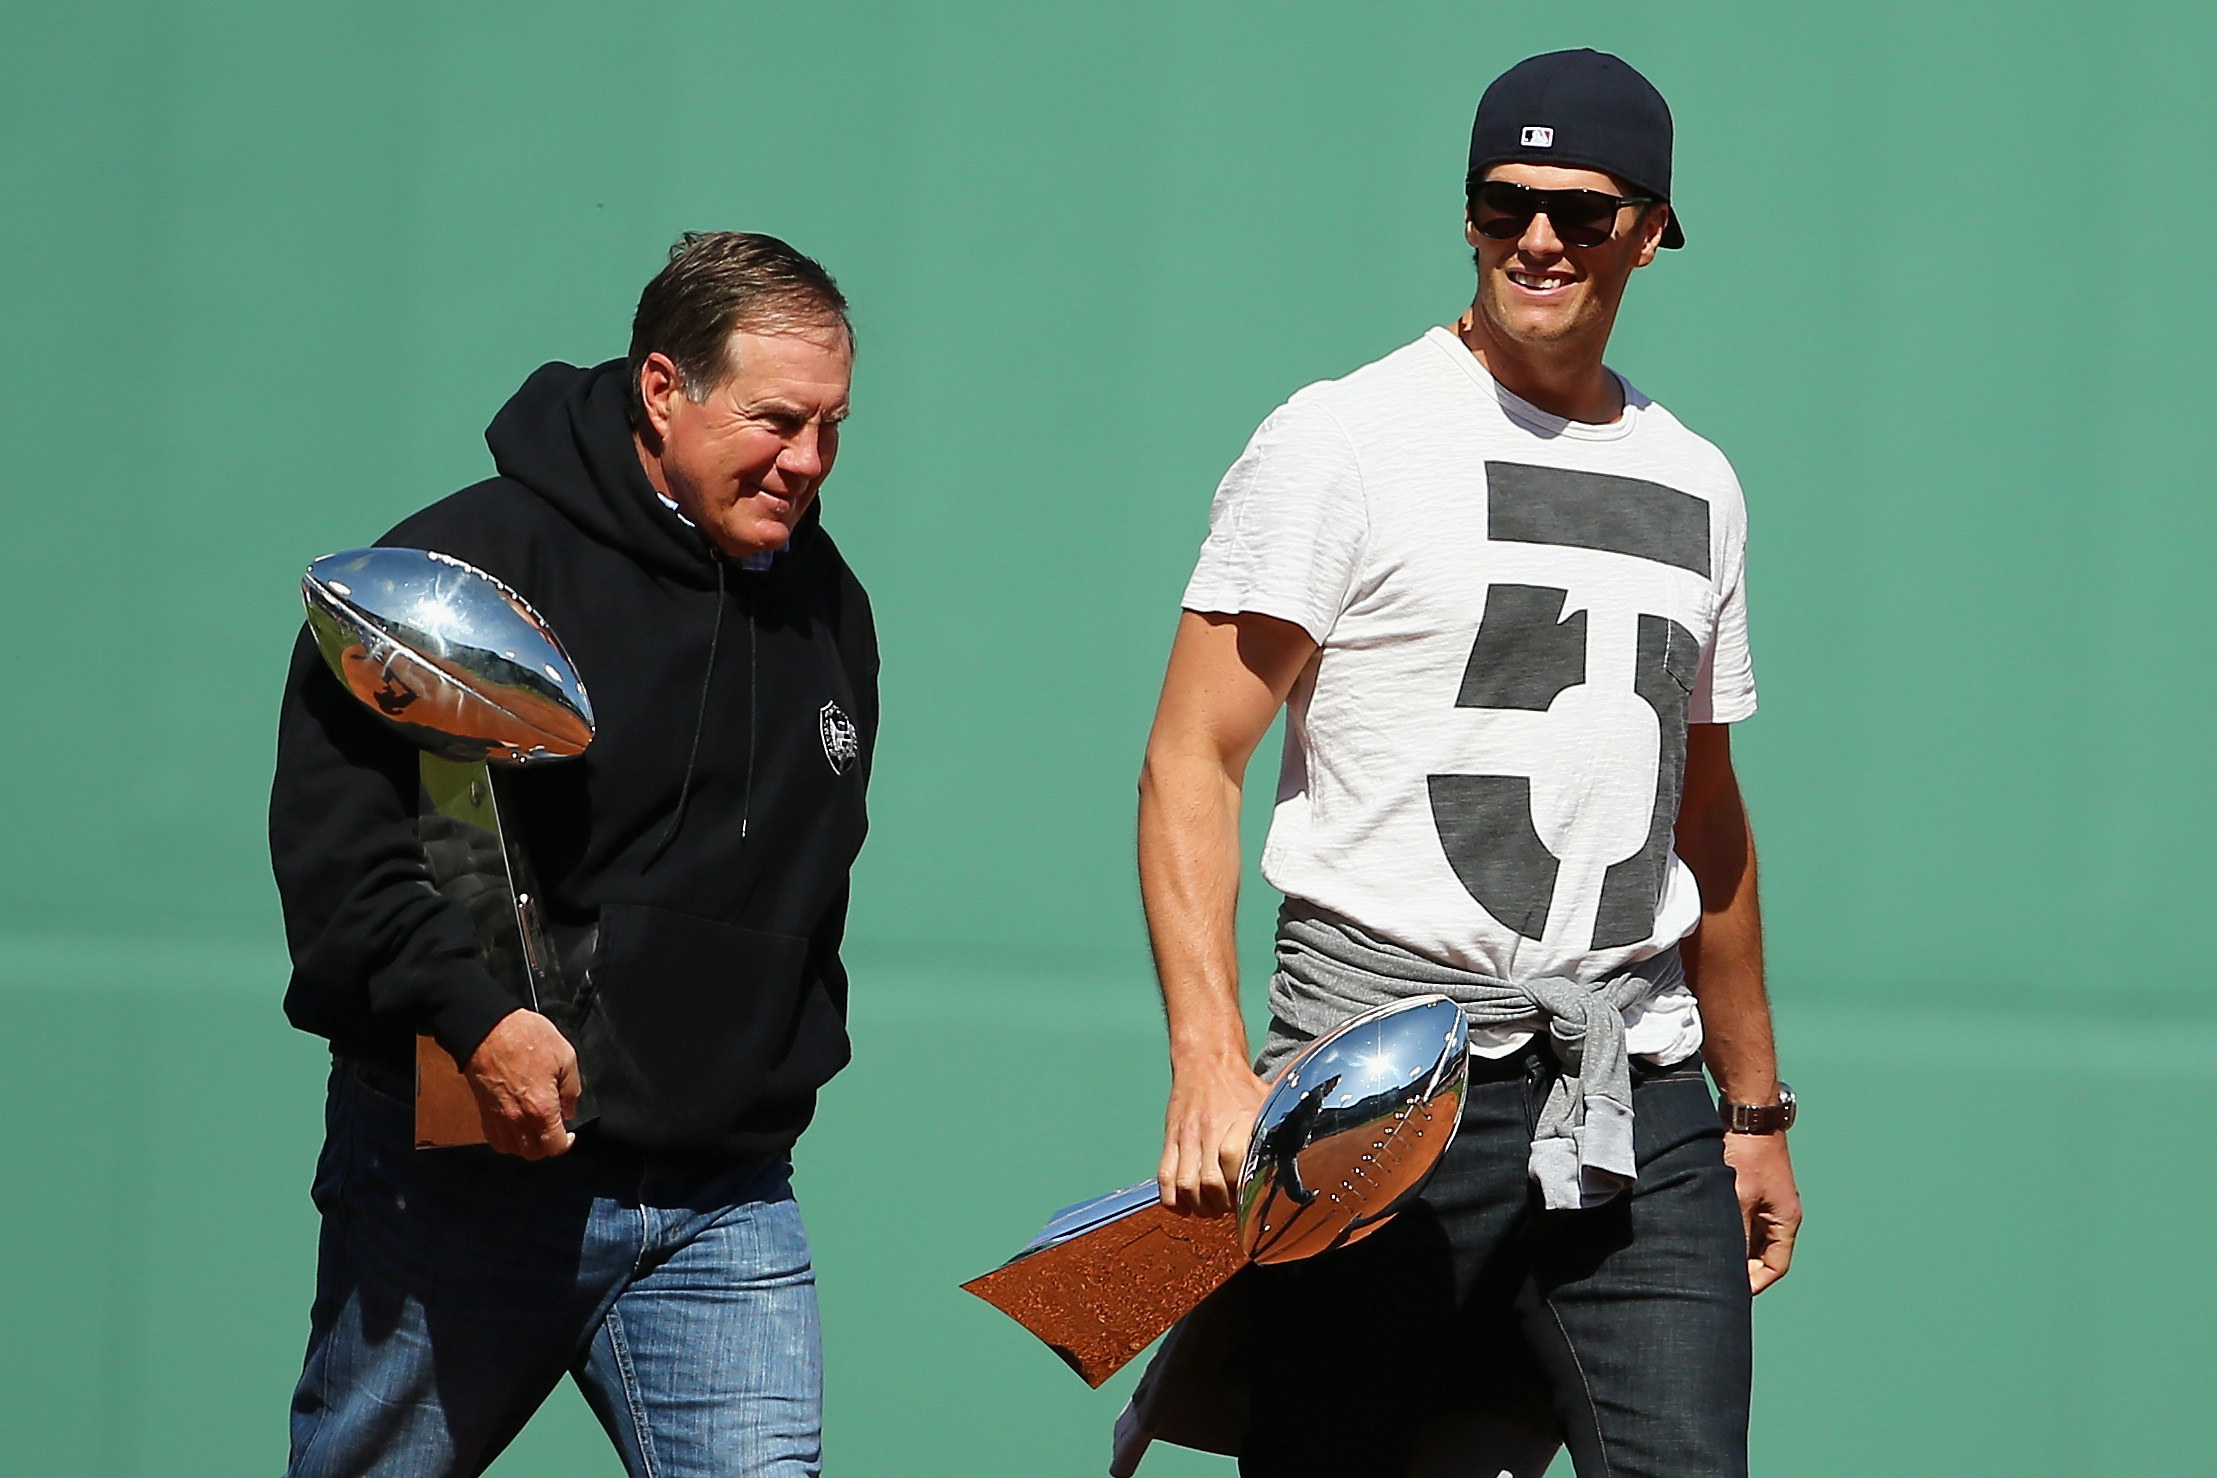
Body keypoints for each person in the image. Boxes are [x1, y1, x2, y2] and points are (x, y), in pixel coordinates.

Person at [1136, 51, 1801, 1478]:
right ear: (1469, 215)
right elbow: (1195, 755)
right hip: (1387, 1085)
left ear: (1652, 227)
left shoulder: (1699, 480)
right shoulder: (1343, 437)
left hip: (1635, 1086)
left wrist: (1752, 1109)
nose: (1539, 239)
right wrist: (1205, 1056)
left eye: (1580, 208)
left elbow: (1707, 815)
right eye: (1504, 203)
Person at [269, 231, 875, 1478]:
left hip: (725, 1199)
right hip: (469, 1179)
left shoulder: (827, 602)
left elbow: (809, 891)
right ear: (664, 388)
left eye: (831, 425)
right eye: (776, 419)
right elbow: (345, 853)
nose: (807, 460)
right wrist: (474, 1015)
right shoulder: (467, 575)